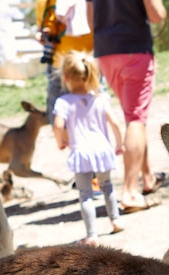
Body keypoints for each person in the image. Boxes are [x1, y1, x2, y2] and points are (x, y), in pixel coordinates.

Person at [87, 0, 167, 213]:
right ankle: (130, 192)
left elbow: (90, 22)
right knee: (135, 120)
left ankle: (147, 177)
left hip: (106, 54)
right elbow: (157, 15)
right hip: (134, 50)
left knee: (134, 117)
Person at [53, 50, 125, 244]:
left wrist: (60, 141)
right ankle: (116, 221)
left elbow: (58, 125)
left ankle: (92, 235)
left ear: (66, 77)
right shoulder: (100, 99)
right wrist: (119, 143)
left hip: (81, 153)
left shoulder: (64, 102)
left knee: (86, 194)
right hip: (102, 150)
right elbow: (116, 123)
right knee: (107, 186)